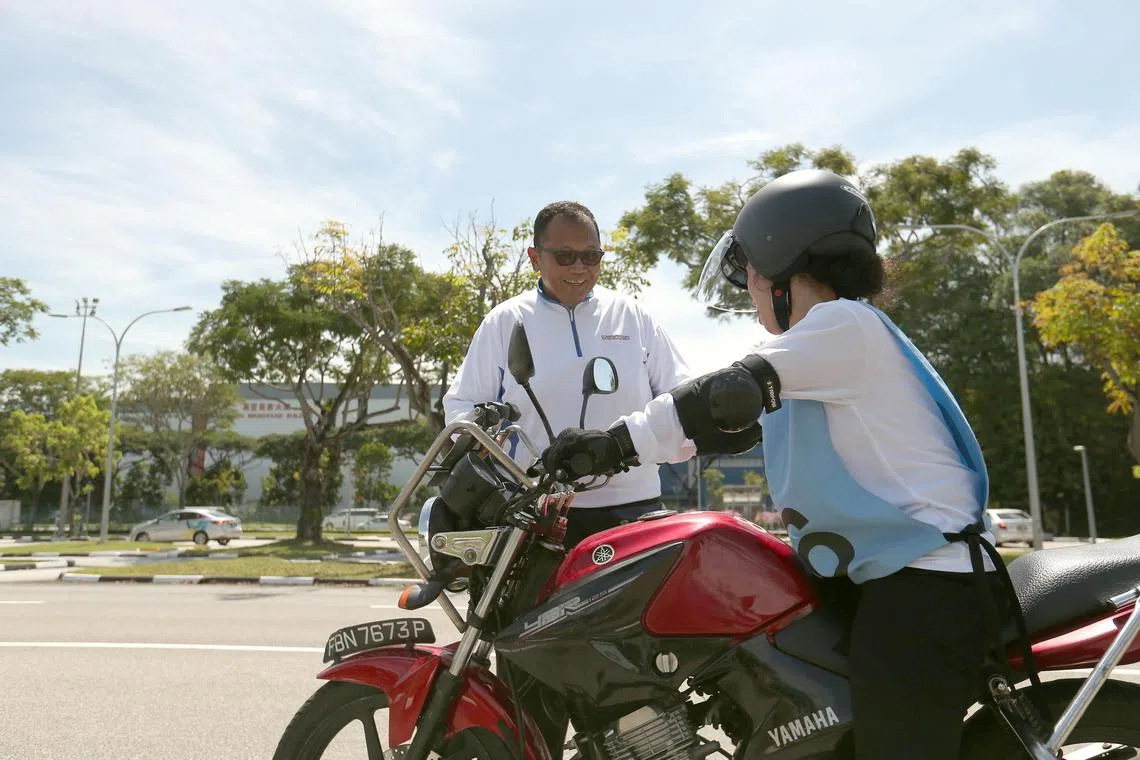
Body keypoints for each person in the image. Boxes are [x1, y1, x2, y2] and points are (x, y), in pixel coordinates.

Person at [539, 170, 1034, 760]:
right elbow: (720, 424)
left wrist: (610, 444)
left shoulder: (841, 325)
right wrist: (629, 451)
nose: (749, 288)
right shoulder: (822, 353)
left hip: (925, 587)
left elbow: (720, 395)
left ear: (783, 257)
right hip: (884, 579)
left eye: (750, 270)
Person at [443, 199, 694, 548]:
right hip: (532, 511)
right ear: (534, 258)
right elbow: (462, 407)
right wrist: (482, 443)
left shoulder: (633, 316)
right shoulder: (504, 321)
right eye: (565, 256)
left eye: (591, 256)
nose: (579, 267)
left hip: (633, 509)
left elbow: (681, 397)